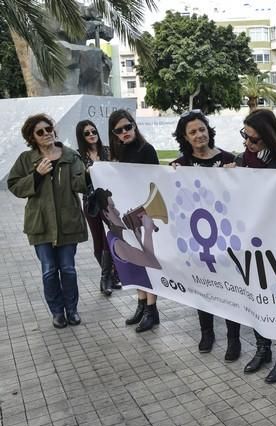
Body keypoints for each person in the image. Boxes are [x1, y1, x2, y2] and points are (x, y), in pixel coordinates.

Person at [170, 110, 242, 361]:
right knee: (203, 287)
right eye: (192, 132)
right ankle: (207, 333)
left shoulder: (228, 160)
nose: (199, 135)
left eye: (202, 129)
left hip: (227, 237)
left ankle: (234, 339)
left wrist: (236, 175)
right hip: (196, 239)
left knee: (230, 288)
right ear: (185, 137)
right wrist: (173, 178)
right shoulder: (180, 166)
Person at [233, 108, 276, 383]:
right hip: (250, 241)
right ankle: (263, 349)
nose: (248, 144)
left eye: (255, 140)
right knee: (256, 297)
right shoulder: (241, 159)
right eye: (245, 137)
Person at [8, 114, 88, 328]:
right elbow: (14, 186)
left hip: (67, 223)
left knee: (68, 269)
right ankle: (57, 313)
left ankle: (72, 310)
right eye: (40, 132)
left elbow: (80, 185)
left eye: (49, 128)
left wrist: (89, 175)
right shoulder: (26, 160)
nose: (47, 133)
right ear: (32, 137)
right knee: (49, 270)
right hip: (40, 225)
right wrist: (36, 174)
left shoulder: (70, 156)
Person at [108, 109, 161, 332]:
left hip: (143, 212)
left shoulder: (146, 149)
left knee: (148, 259)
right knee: (135, 260)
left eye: (128, 127)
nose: (125, 132)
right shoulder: (117, 153)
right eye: (119, 130)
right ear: (114, 133)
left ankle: (152, 309)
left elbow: (155, 180)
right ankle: (141, 304)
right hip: (128, 213)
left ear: (134, 125)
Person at [75, 119, 120, 296]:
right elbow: (78, 180)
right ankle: (110, 275)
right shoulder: (78, 156)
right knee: (98, 240)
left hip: (108, 201)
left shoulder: (108, 151)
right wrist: (86, 173)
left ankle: (106, 278)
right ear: (81, 136)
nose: (91, 135)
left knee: (110, 237)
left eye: (93, 131)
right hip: (90, 202)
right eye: (87, 133)